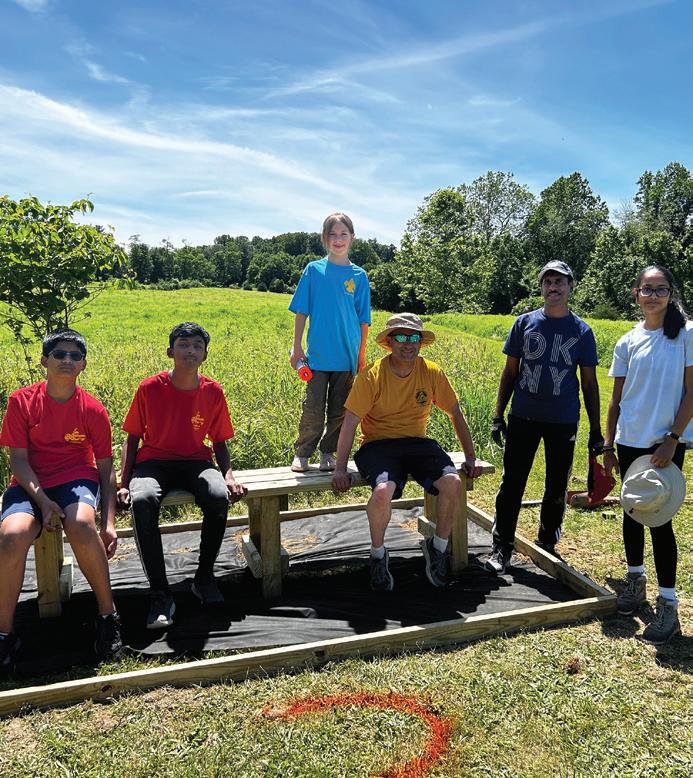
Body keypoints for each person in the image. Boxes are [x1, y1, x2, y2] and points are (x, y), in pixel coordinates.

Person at [332, 313, 483, 591]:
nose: (408, 343)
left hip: (417, 442)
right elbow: (350, 422)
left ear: (421, 342)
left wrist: (471, 457)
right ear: (389, 342)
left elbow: (455, 414)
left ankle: (438, 548)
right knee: (382, 492)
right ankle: (378, 555)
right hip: (377, 445)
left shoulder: (432, 372)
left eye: (414, 337)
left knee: (453, 482)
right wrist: (340, 469)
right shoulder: (372, 375)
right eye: (401, 336)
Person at [0, 329, 122, 672]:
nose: (67, 360)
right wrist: (42, 501)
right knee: (11, 535)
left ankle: (108, 616)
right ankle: (5, 633)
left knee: (81, 524)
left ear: (83, 364)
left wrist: (109, 524)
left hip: (75, 478)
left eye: (75, 356)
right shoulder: (21, 401)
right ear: (45, 361)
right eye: (59, 354)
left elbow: (106, 469)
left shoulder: (93, 409)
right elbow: (18, 461)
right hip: (29, 483)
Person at [117, 322, 247, 629]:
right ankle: (160, 594)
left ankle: (204, 578)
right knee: (143, 499)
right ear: (170, 352)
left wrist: (228, 476)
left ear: (205, 355)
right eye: (184, 345)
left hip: (196, 461)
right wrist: (124, 483)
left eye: (197, 346)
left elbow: (219, 441)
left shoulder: (212, 391)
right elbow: (132, 439)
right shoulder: (150, 388)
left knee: (218, 495)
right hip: (153, 462)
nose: (191, 351)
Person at [487, 260, 604, 574]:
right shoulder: (524, 324)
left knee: (556, 486)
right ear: (541, 287)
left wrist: (596, 430)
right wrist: (498, 415)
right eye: (548, 282)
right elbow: (510, 372)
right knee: (512, 483)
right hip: (524, 415)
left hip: (562, 419)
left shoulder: (582, 332)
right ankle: (502, 546)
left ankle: (547, 543)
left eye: (559, 282)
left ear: (570, 287)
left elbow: (590, 383)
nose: (553, 288)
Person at [603, 265, 692, 644]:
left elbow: (692, 392)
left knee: (659, 518)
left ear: (671, 294)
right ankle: (635, 580)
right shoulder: (628, 340)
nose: (653, 295)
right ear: (636, 294)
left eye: (661, 289)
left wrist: (673, 438)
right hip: (629, 441)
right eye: (647, 289)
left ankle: (668, 605)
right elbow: (617, 400)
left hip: (664, 444)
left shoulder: (686, 334)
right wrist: (608, 445)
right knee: (632, 511)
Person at [289, 212, 371, 473]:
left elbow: (363, 321)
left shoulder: (359, 276)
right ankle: (303, 453)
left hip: (346, 357)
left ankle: (328, 453)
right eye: (332, 234)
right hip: (317, 357)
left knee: (339, 411)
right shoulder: (314, 270)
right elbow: (301, 311)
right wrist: (297, 347)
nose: (338, 239)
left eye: (343, 234)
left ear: (352, 237)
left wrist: (360, 354)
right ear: (325, 238)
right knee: (313, 408)